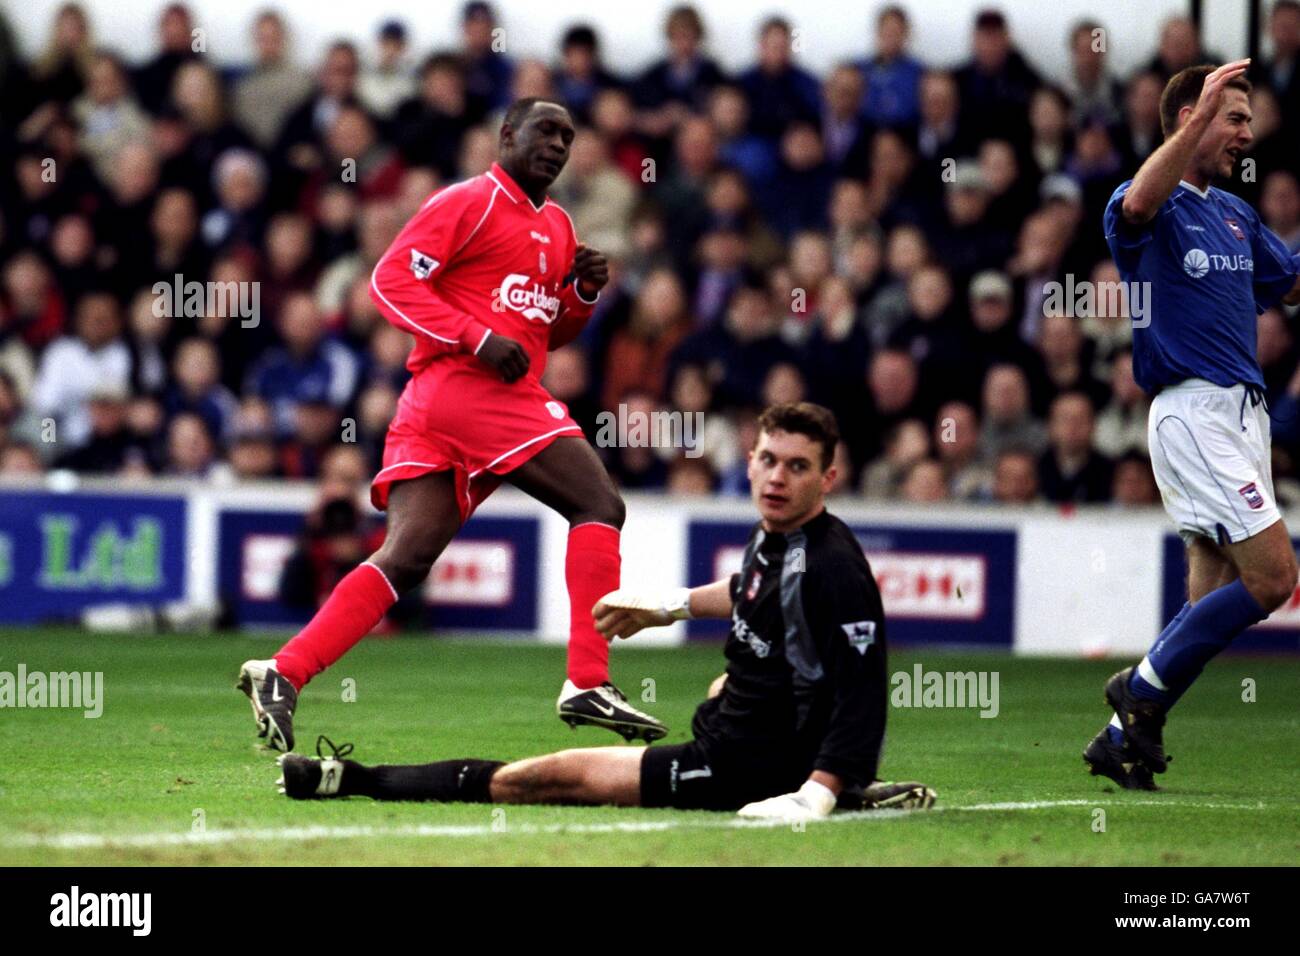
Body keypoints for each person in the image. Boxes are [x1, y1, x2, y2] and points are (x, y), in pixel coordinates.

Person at [238, 98, 665, 752]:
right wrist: (476, 337)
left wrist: (581, 293)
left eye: (568, 136)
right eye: (544, 131)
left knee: (405, 556)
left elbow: (546, 331)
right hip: (471, 387)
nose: (557, 144)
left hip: (445, 401)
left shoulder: (556, 225)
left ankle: (282, 672)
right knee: (599, 504)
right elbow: (390, 282)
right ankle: (587, 677)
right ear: (506, 135)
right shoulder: (469, 201)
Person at [274, 403, 936, 820]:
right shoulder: (780, 536)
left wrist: (812, 795)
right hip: (753, 723)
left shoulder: (836, 566)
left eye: (797, 467)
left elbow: (862, 691)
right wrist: (668, 606)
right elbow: (754, 589)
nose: (775, 477)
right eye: (767, 460)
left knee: (545, 779)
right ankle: (843, 783)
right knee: (727, 679)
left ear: (828, 480)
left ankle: (350, 778)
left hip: (741, 763)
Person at [1088, 61, 1300, 789]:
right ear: (1194, 119)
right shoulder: (1148, 204)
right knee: (1274, 579)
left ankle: (1121, 738)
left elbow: (1292, 280)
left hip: (1245, 419)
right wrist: (1199, 108)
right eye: (1233, 117)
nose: (1247, 133)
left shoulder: (1236, 216)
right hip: (1193, 410)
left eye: (1246, 119)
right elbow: (1141, 201)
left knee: (1208, 599)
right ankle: (1139, 692)